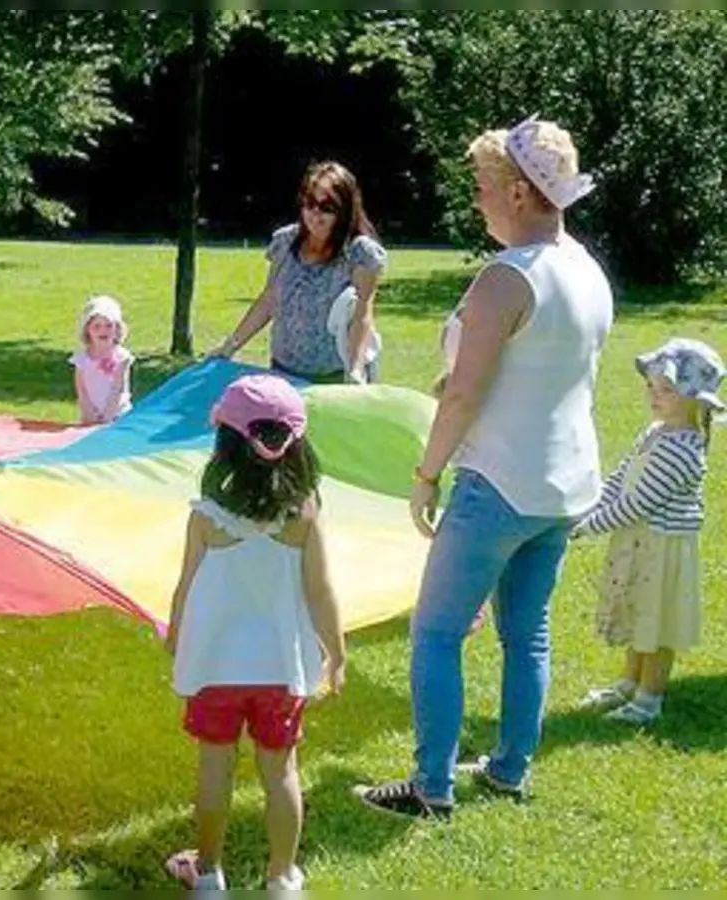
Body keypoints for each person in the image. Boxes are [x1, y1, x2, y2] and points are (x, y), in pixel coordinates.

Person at [356, 117, 612, 819]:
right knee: (526, 631)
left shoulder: (508, 278)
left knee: (436, 633)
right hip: (564, 485)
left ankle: (431, 788)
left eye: (483, 188)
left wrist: (426, 474)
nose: (477, 201)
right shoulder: (586, 268)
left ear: (522, 193)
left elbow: (464, 393)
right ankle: (508, 771)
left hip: (497, 481)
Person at [162, 374, 345, 891]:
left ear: (226, 444)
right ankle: (282, 877)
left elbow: (184, 589)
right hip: (281, 672)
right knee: (281, 771)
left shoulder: (206, 518)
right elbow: (322, 592)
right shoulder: (304, 514)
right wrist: (337, 653)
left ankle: (209, 873)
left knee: (214, 767)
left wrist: (176, 637)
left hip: (216, 667)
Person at [573, 338, 719, 725]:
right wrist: (589, 505)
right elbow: (621, 481)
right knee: (639, 614)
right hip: (639, 542)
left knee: (656, 623)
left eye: (667, 390)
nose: (654, 396)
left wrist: (586, 527)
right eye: (652, 387)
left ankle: (648, 698)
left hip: (661, 547)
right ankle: (628, 682)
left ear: (694, 398)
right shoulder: (655, 432)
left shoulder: (683, 448)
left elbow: (637, 503)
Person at [209, 162, 388, 384]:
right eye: (310, 203)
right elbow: (269, 299)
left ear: (345, 210)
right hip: (283, 370)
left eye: (327, 207)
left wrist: (355, 370)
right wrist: (230, 346)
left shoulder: (360, 252)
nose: (315, 213)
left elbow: (363, 314)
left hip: (336, 377)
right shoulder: (285, 242)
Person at [71, 295, 134, 426]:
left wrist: (108, 415)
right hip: (90, 415)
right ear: (87, 330)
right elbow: (81, 389)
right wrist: (88, 412)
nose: (103, 331)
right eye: (97, 326)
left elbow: (118, 388)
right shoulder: (82, 359)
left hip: (118, 414)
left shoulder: (121, 357)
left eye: (108, 326)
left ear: (117, 329)